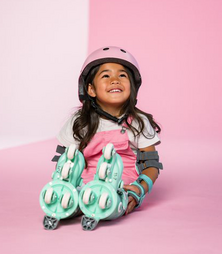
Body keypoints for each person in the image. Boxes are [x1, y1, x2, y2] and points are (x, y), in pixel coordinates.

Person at [56, 46, 163, 216]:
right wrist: (64, 185)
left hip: (122, 186)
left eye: (122, 75)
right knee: (68, 200)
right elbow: (64, 162)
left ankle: (101, 204)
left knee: (109, 203)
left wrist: (139, 189)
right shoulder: (79, 122)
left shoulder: (138, 122)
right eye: (106, 76)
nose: (115, 80)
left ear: (132, 87)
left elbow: (151, 165)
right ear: (91, 89)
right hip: (82, 184)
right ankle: (71, 204)